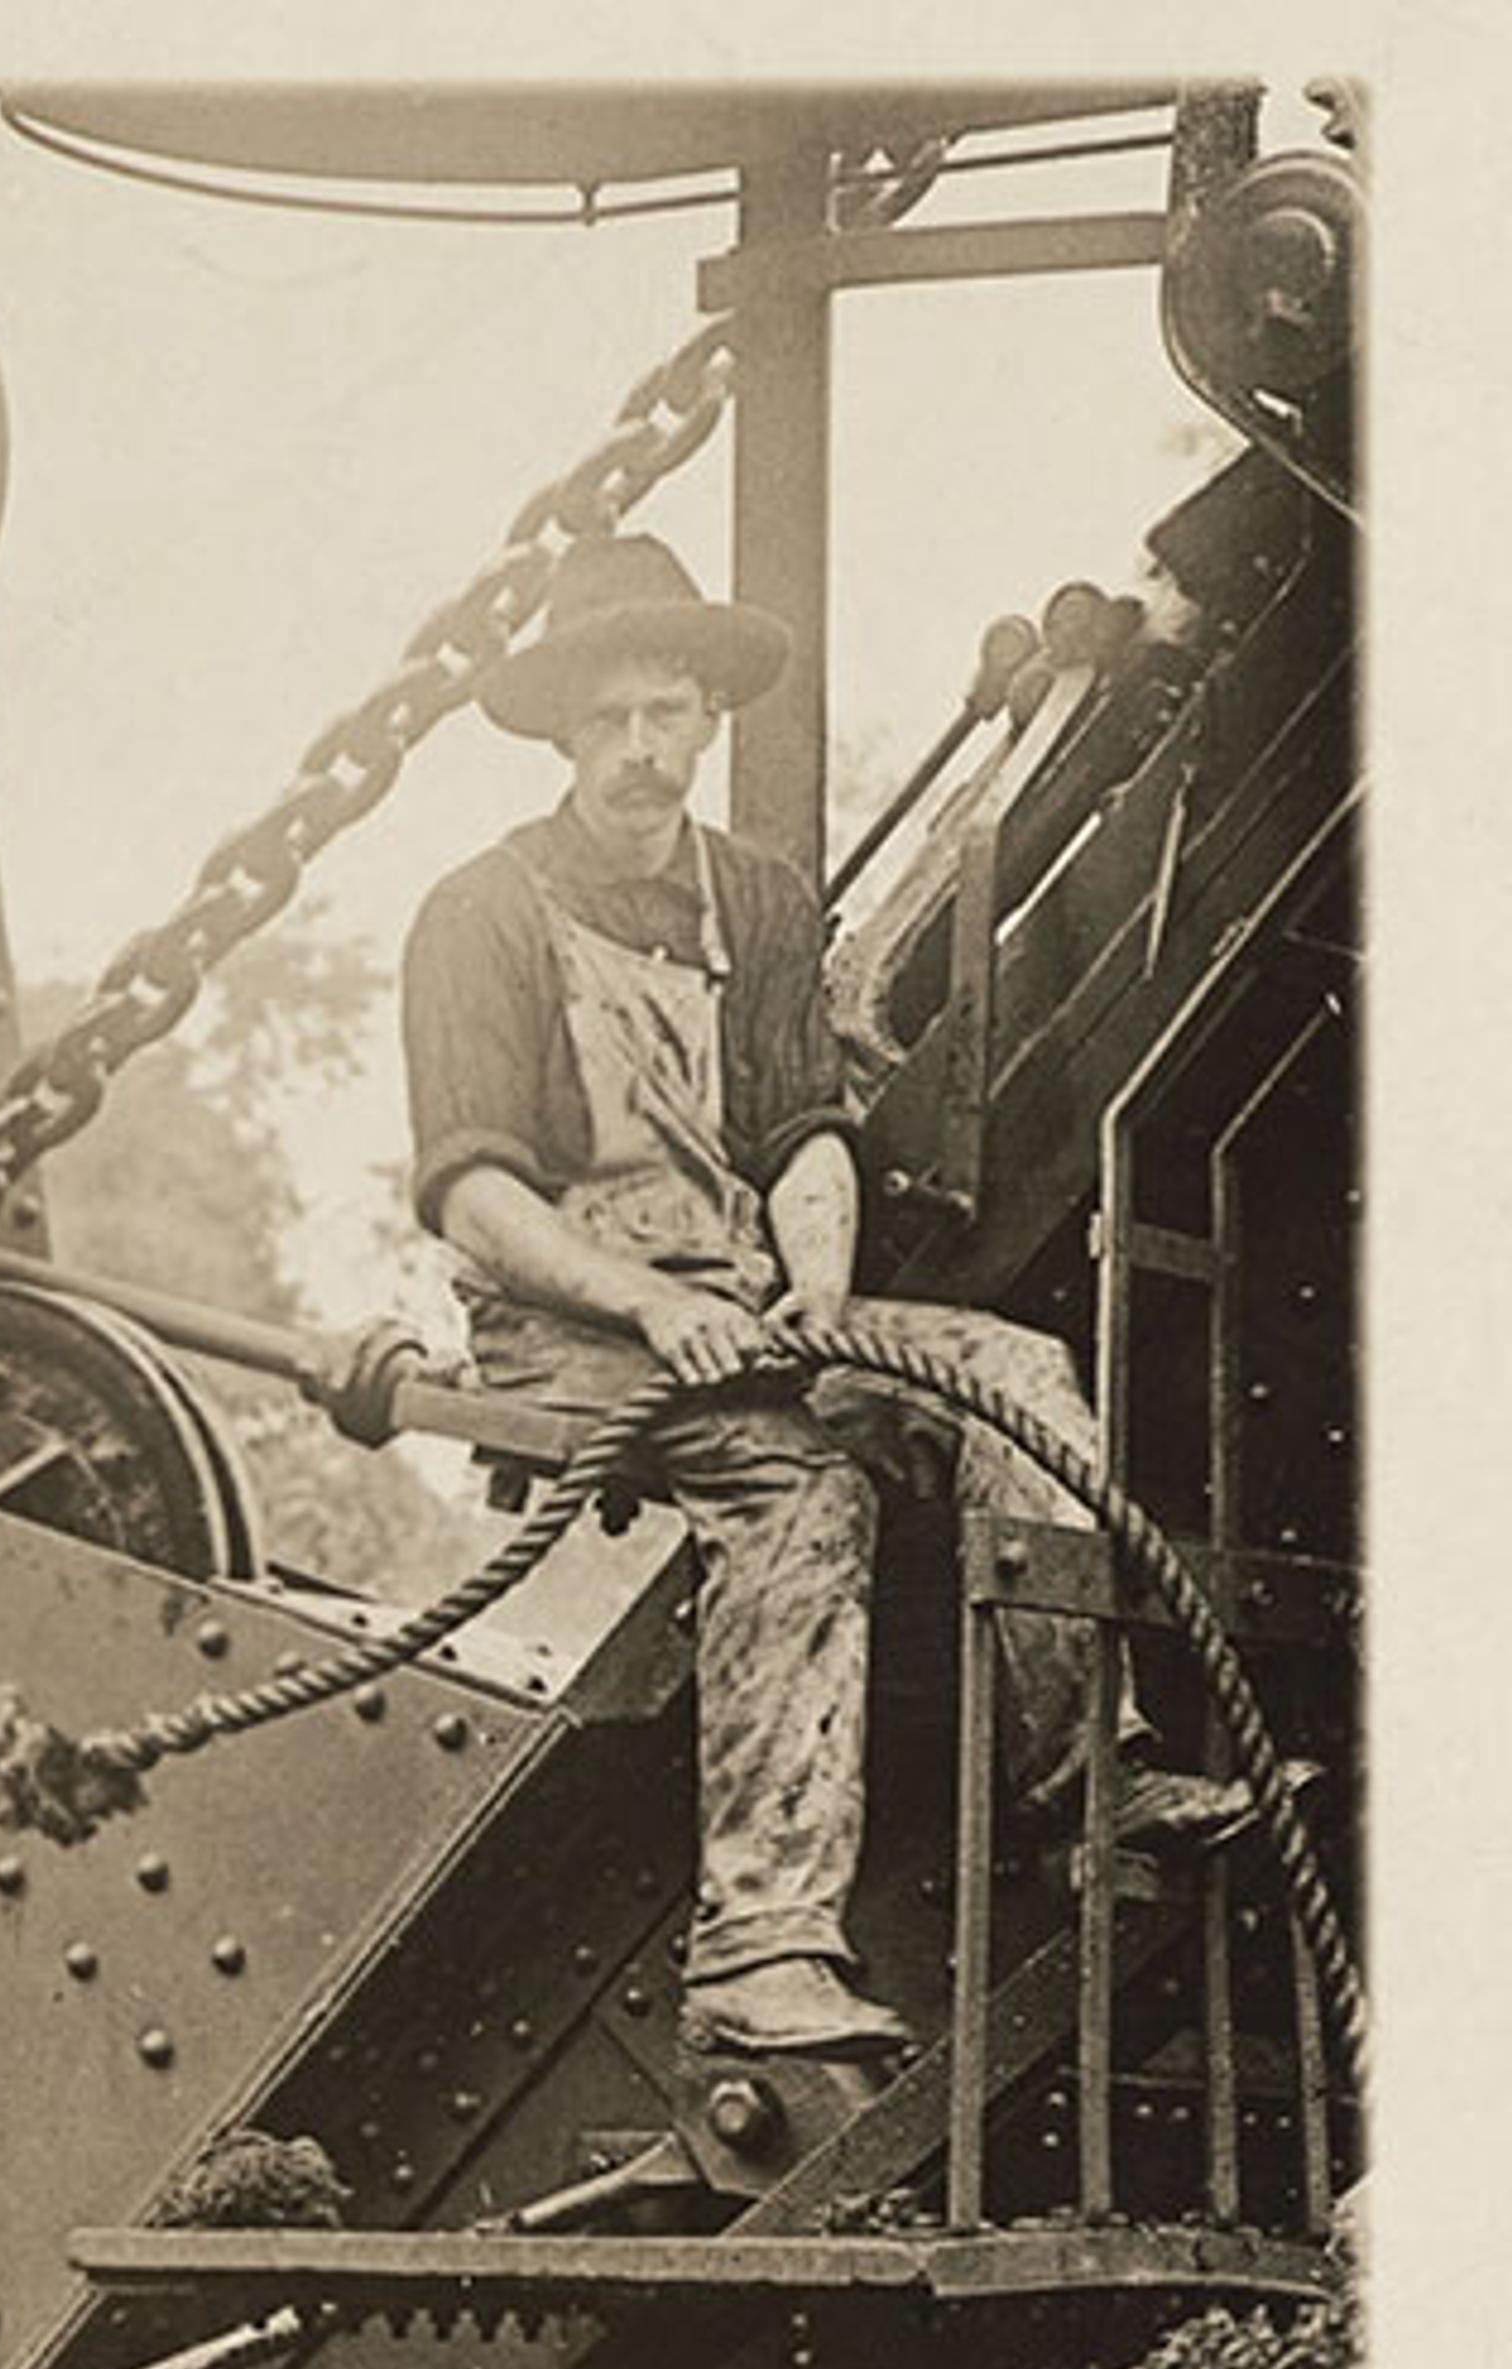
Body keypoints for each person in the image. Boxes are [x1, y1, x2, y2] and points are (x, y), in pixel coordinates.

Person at [401, 533, 1242, 2065]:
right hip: (572, 1338)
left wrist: (828, 1295)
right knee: (801, 1494)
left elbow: (804, 1133)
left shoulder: (760, 902)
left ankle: (1091, 1786)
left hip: (747, 1307)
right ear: (563, 734)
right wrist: (656, 1314)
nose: (643, 753)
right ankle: (759, 1951)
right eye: (610, 722)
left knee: (1019, 1379)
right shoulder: (482, 914)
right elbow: (477, 1194)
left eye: (669, 715)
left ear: (709, 716)